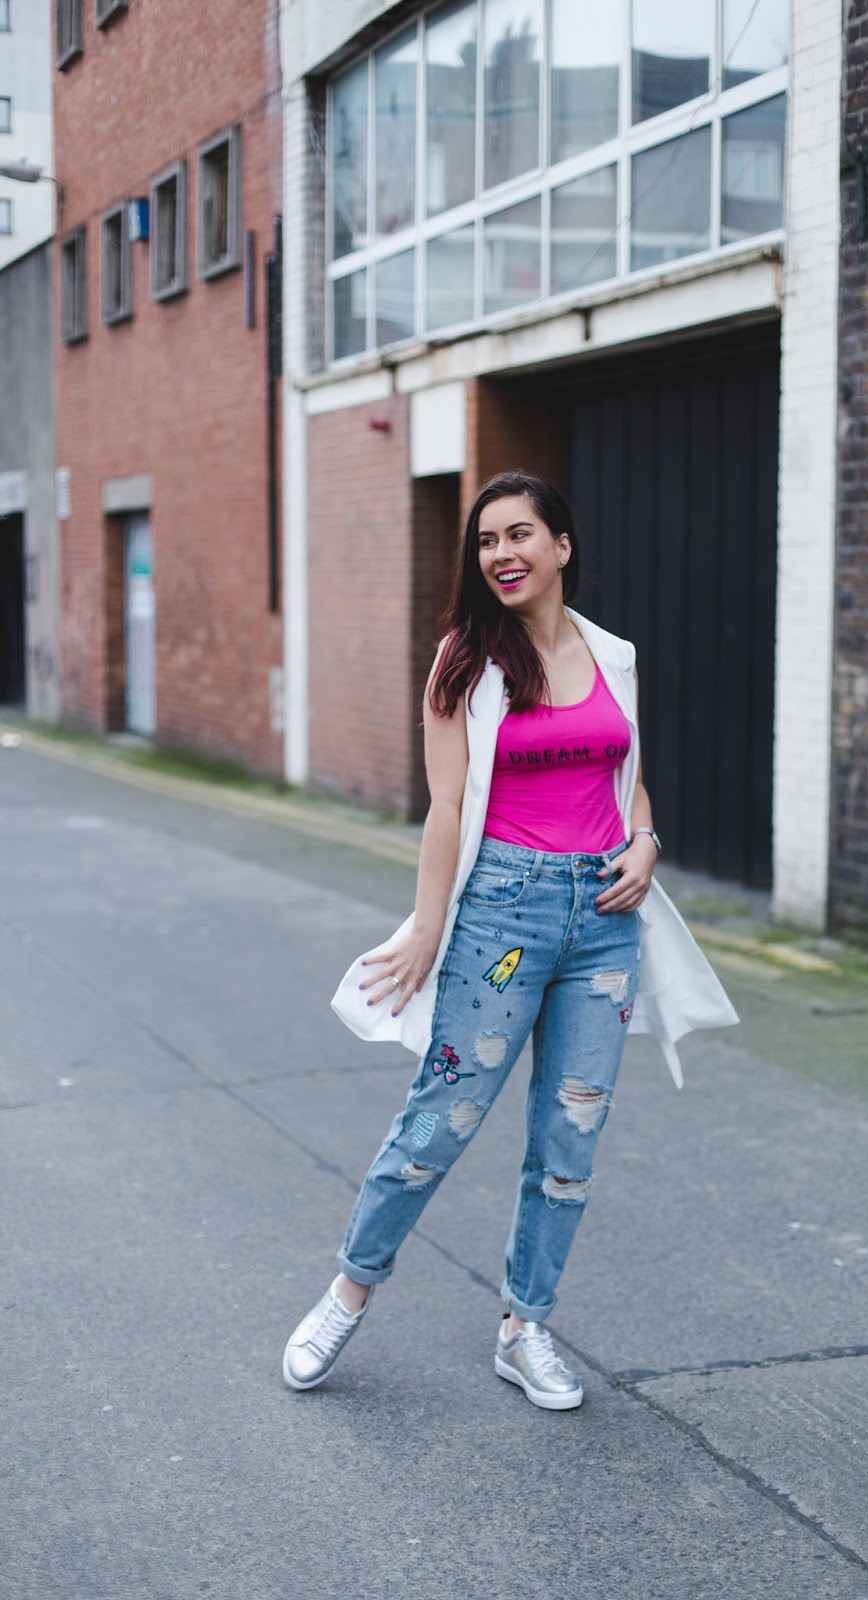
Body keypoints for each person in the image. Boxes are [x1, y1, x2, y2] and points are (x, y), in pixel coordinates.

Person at [283, 471, 737, 1408]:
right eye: (487, 540)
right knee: (437, 1122)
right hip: (502, 920)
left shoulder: (614, 655)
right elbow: (448, 808)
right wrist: (427, 928)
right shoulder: (463, 662)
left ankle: (525, 1327)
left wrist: (647, 840)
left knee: (570, 1138)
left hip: (604, 924)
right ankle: (348, 1292)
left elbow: (626, 779)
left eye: (520, 534)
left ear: (561, 546)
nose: (501, 554)